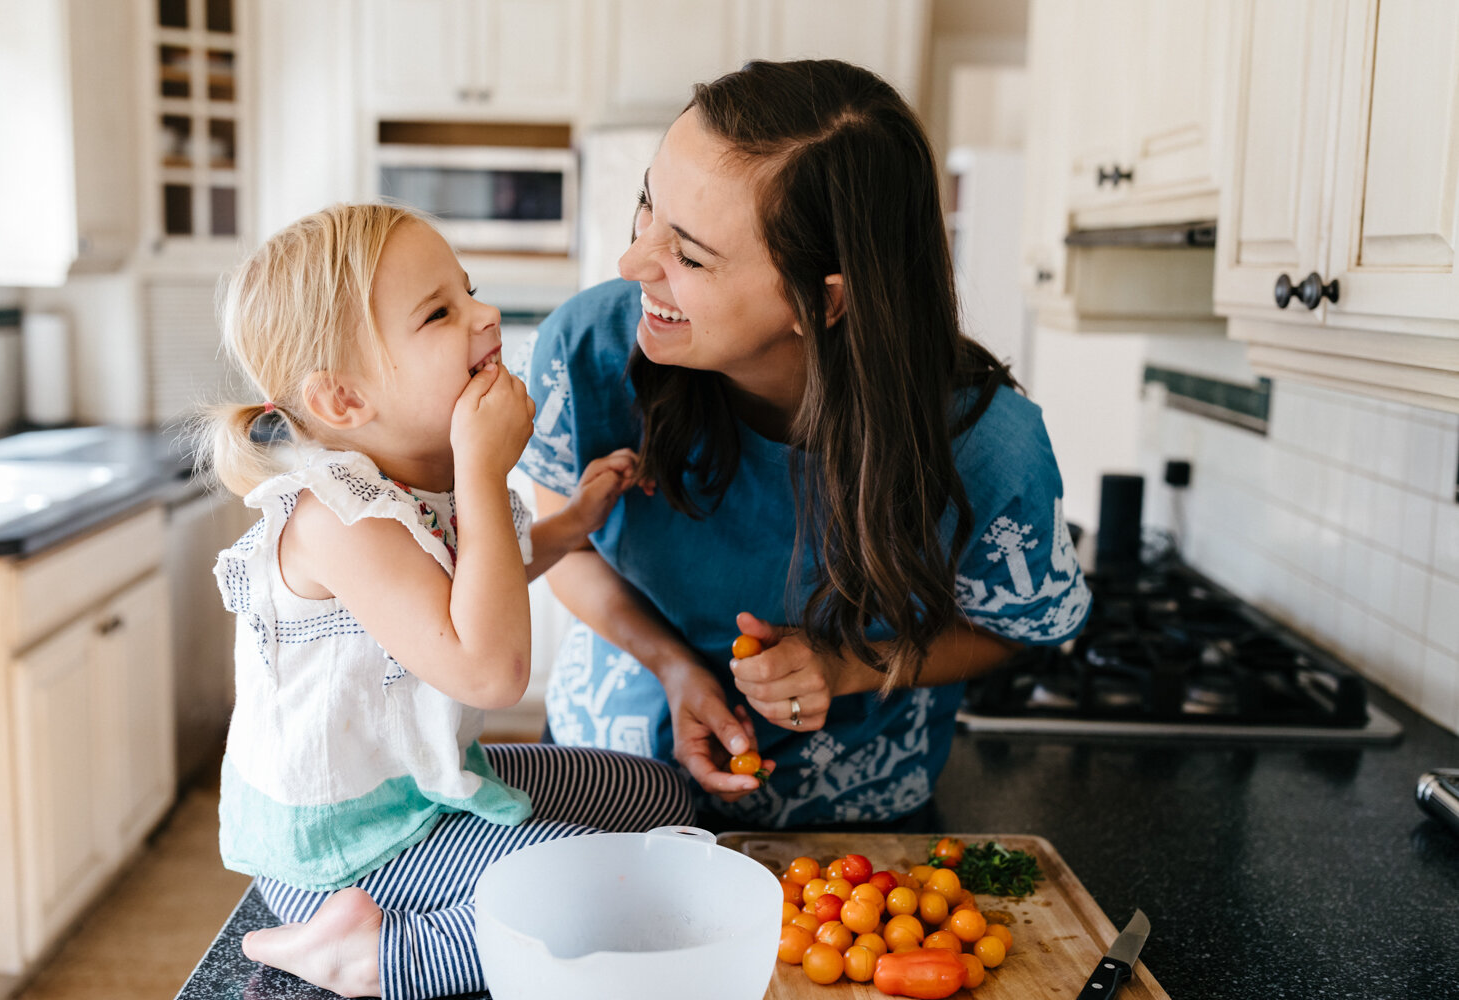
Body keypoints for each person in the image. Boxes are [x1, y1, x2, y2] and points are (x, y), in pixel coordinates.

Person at [518, 59, 1091, 829]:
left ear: (823, 300)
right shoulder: (586, 352)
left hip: (854, 841)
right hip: (606, 788)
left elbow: (1010, 629)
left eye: (688, 256)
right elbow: (568, 545)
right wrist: (673, 665)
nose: (632, 265)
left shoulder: (989, 446)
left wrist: (847, 667)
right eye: (646, 208)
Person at [199, 203, 692, 999]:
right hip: (342, 849)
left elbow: (464, 593)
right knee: (601, 897)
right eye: (440, 313)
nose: (485, 315)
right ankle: (370, 956)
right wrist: (485, 469)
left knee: (658, 793)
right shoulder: (339, 517)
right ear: (344, 401)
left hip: (420, 782)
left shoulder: (419, 479)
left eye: (467, 292)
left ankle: (439, 911)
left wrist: (570, 526)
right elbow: (491, 670)